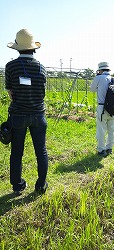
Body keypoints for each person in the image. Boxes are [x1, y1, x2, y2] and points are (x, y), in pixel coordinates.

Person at [5, 29, 48, 194]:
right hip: (38, 114)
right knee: (41, 151)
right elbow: (42, 92)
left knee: (17, 152)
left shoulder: (11, 66)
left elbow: (10, 91)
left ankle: (18, 185)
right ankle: (41, 185)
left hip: (18, 115)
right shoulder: (41, 68)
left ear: (17, 48)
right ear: (33, 48)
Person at [90, 62, 114, 157]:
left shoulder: (98, 78)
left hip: (102, 107)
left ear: (100, 70)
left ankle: (101, 149)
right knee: (111, 129)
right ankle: (109, 148)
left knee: (101, 129)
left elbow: (92, 89)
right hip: (113, 108)